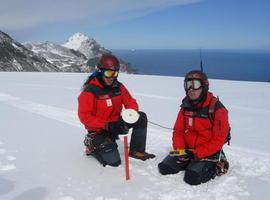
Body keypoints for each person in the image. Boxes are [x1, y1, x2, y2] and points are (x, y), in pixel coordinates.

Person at [78, 54, 155, 167]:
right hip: (99, 130)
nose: (111, 77)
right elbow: (84, 117)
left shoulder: (119, 87)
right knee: (114, 161)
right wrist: (106, 125)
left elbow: (130, 102)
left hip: (116, 124)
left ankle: (136, 151)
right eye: (108, 73)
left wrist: (130, 115)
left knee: (140, 117)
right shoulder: (90, 91)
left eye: (115, 73)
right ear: (100, 71)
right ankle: (92, 146)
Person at [158, 70, 230, 185]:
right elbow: (178, 131)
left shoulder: (217, 109)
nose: (191, 89)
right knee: (164, 167)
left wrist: (196, 153)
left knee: (192, 177)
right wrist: (180, 150)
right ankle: (189, 162)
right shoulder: (185, 106)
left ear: (204, 86)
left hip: (207, 152)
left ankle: (217, 165)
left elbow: (218, 140)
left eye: (195, 85)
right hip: (187, 150)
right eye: (188, 85)